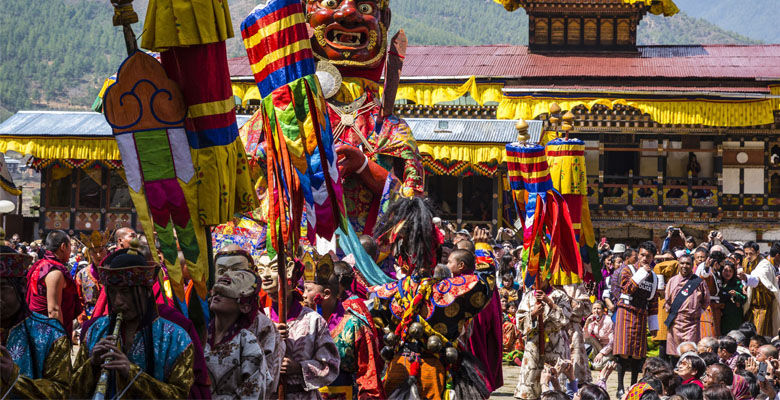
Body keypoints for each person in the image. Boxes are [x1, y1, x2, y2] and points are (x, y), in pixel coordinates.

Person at [71, 241, 195, 398]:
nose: (118, 302)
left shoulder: (176, 338)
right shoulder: (96, 331)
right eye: (113, 293)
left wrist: (133, 374)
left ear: (148, 292)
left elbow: (180, 395)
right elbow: (72, 390)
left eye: (126, 292)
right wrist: (92, 365)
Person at [302, 255, 384, 399]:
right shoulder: (300, 324)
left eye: (308, 290)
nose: (303, 295)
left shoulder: (353, 326)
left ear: (326, 294)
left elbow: (368, 375)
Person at [259, 251, 339, 400]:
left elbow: (331, 365)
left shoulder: (313, 320)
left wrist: (298, 367)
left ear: (290, 273)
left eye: (274, 269)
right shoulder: (260, 319)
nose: (266, 275)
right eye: (261, 269)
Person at [0, 245, 71, 399]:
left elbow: (63, 392)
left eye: (2, 288)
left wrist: (14, 378)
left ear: (22, 287)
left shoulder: (51, 334)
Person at [205, 270, 270, 399]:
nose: (218, 295)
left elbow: (253, 392)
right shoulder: (199, 336)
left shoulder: (248, 343)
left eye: (225, 294)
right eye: (216, 293)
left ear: (245, 306)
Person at [514, 273, 573, 399]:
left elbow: (565, 319)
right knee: (530, 383)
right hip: (533, 344)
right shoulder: (529, 296)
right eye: (534, 277)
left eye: (540, 276)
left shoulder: (560, 295)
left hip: (554, 343)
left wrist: (549, 302)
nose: (537, 280)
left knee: (553, 379)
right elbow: (519, 321)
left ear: (547, 277)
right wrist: (533, 314)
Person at [613, 241, 661, 397]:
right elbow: (627, 289)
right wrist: (641, 273)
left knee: (637, 353)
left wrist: (653, 325)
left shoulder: (654, 277)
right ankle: (620, 386)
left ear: (653, 257)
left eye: (648, 256)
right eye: (642, 255)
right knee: (624, 350)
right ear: (637, 255)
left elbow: (653, 302)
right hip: (626, 311)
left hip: (641, 313)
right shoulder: (628, 270)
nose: (644, 258)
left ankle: (634, 383)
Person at [25, 229, 82, 339]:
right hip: (47, 334)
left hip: (35, 328)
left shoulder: (39, 265)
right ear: (63, 247)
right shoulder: (54, 272)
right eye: (70, 247)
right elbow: (54, 310)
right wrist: (59, 341)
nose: (70, 251)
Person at [665, 254, 710, 363]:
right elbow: (667, 301)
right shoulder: (672, 281)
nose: (685, 266)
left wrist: (695, 311)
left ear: (692, 265)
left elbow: (706, 301)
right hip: (675, 322)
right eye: (682, 263)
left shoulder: (699, 282)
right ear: (678, 264)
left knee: (690, 354)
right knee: (674, 355)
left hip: (692, 324)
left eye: (688, 264)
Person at [739, 241, 780, 336]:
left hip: (762, 307)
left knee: (759, 336)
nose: (748, 256)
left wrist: (747, 278)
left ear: (757, 252)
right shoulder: (745, 262)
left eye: (751, 253)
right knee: (746, 335)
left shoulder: (764, 265)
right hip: (749, 306)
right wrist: (745, 284)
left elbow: (761, 281)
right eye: (746, 254)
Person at [585, 300, 614, 370]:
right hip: (599, 346)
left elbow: (613, 342)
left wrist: (602, 353)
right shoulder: (592, 320)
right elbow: (585, 336)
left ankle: (613, 361)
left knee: (596, 366)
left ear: (603, 310)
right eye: (594, 308)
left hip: (610, 349)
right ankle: (592, 360)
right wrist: (586, 324)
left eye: (598, 308)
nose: (596, 311)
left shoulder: (608, 321)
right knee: (588, 338)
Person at [719, 261, 747, 335]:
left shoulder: (737, 283)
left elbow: (744, 298)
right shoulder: (718, 282)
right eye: (725, 270)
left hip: (734, 316)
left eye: (730, 271)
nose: (727, 273)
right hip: (721, 315)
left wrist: (736, 294)